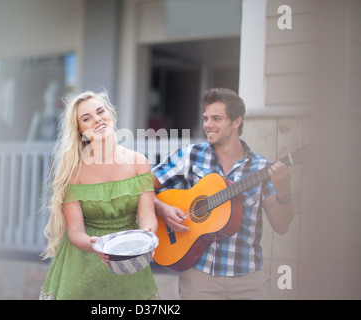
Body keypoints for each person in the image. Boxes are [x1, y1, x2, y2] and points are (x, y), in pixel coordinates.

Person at [152, 88, 293, 299]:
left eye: (216, 118)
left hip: (248, 279)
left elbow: (281, 226)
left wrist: (284, 190)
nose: (208, 125)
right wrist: (162, 209)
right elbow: (142, 187)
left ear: (236, 121)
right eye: (206, 118)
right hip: (199, 277)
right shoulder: (191, 156)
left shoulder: (262, 168)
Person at [40, 91, 159, 300]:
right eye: (86, 118)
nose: (97, 120)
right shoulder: (73, 172)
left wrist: (148, 235)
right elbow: (75, 231)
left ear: (110, 114)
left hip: (129, 261)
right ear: (80, 131)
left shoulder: (139, 162)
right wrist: (96, 245)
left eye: (100, 112)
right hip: (81, 268)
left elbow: (148, 214)